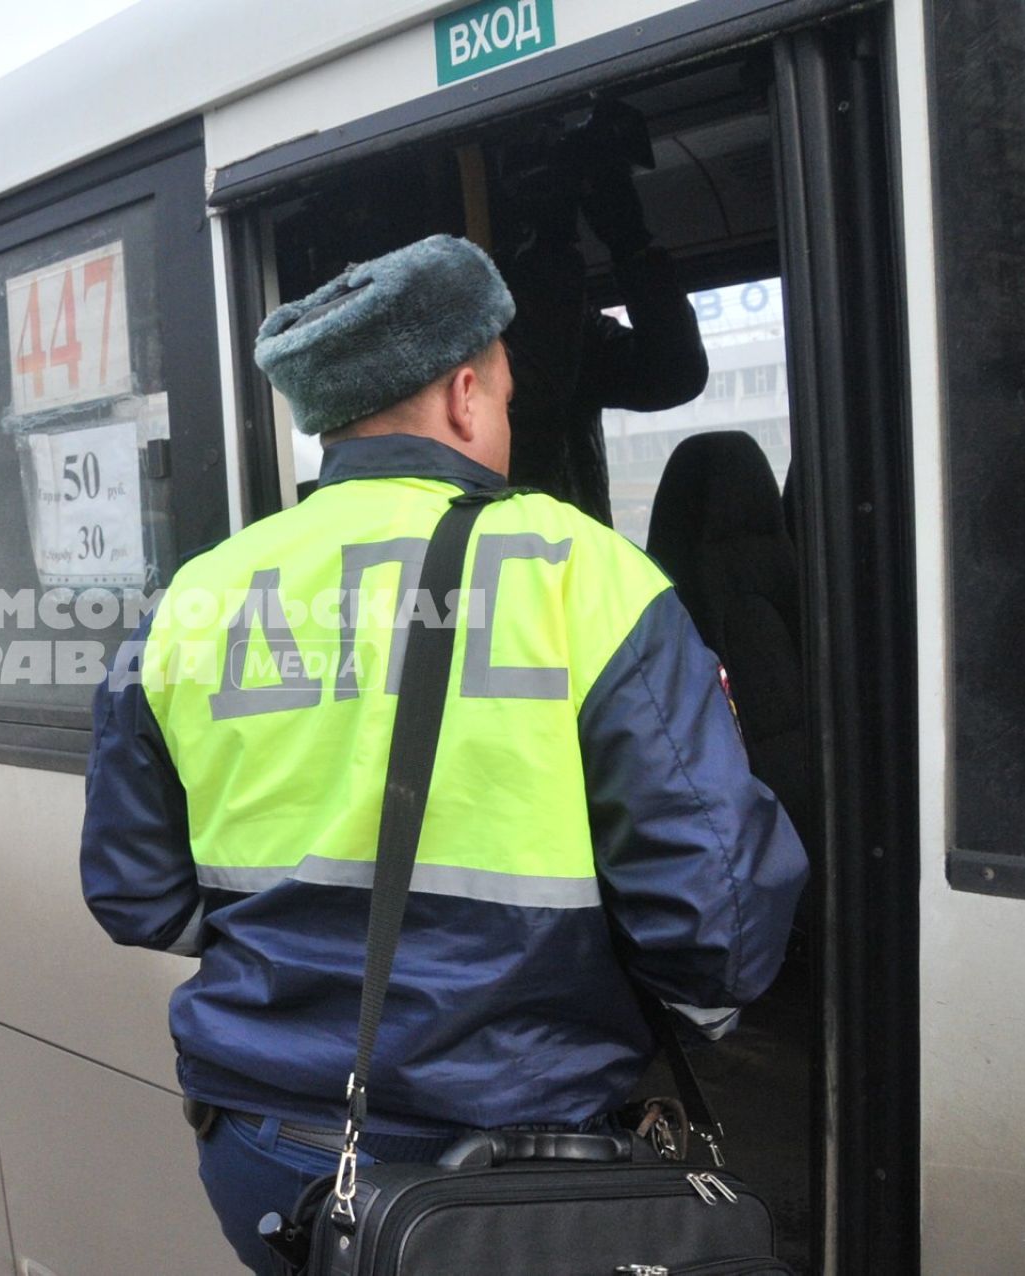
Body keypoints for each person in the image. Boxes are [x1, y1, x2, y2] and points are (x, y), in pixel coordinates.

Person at [79, 236, 805, 1274]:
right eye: (506, 397)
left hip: (261, 1156)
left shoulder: (194, 597)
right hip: (505, 1174)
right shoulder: (585, 576)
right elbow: (718, 931)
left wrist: (304, 950)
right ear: (467, 394)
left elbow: (135, 896)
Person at [501, 102, 709, 526]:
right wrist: (553, 248)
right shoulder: (460, 329)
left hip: (579, 567)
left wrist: (632, 245)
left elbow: (674, 374)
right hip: (510, 570)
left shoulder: (570, 325)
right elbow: (537, 395)